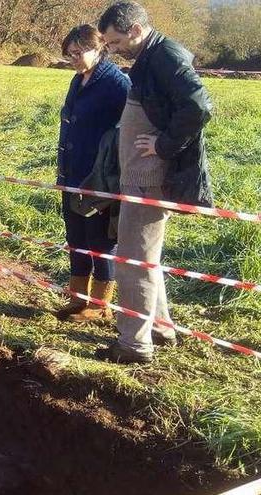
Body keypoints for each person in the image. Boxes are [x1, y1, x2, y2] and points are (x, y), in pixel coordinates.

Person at [96, 1, 213, 363]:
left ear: (134, 29)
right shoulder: (150, 57)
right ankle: (160, 328)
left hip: (150, 181)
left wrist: (162, 145)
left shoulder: (165, 57)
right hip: (139, 179)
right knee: (145, 258)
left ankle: (134, 345)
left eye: (114, 42)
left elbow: (199, 106)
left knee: (133, 262)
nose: (111, 51)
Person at [55, 24, 130, 322]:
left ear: (99, 48)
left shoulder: (116, 84)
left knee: (99, 241)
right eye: (68, 54)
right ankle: (77, 297)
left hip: (100, 177)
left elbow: (132, 124)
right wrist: (62, 176)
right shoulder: (78, 80)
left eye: (78, 52)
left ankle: (100, 306)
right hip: (73, 174)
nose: (73, 59)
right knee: (76, 237)